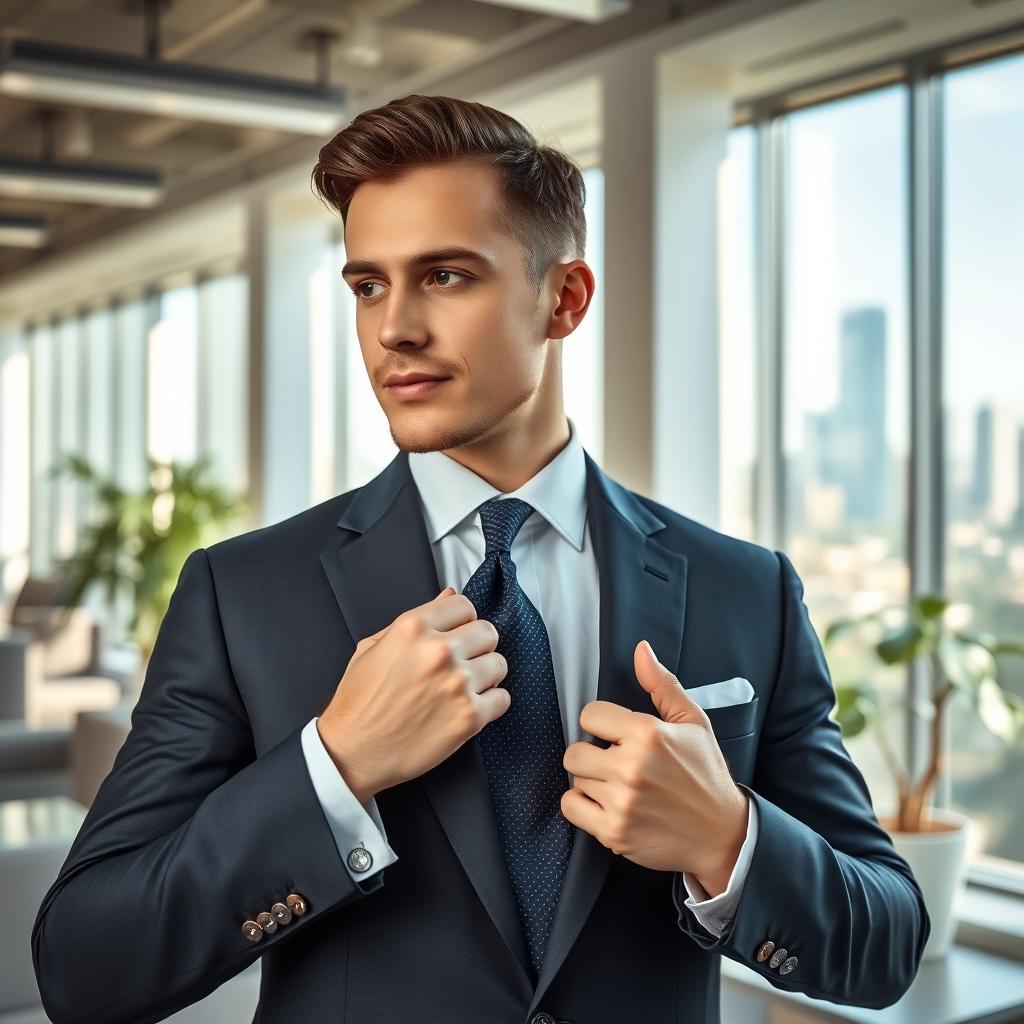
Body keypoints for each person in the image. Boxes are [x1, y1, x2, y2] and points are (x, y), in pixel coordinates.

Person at [31, 93, 929, 1024]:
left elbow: (888, 942)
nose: (394, 330)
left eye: (447, 276)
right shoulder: (242, 593)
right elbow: (85, 966)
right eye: (368, 286)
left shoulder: (749, 589)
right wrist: (333, 768)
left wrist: (728, 838)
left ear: (565, 299)